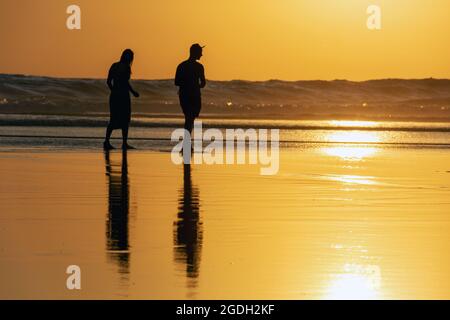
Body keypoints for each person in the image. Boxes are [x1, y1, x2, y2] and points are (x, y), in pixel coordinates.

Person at [104, 49, 139, 150]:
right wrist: (133, 92)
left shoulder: (114, 65)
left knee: (113, 119)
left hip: (114, 96)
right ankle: (124, 143)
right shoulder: (126, 67)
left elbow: (108, 81)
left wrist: (114, 91)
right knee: (125, 120)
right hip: (123, 96)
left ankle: (107, 141)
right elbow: (125, 83)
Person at [175, 44, 206, 137]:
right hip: (194, 96)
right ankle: (186, 143)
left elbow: (177, 82)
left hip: (184, 95)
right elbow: (203, 83)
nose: (201, 55)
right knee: (190, 119)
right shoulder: (199, 67)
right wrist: (195, 85)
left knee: (189, 118)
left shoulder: (182, 65)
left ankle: (186, 143)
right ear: (195, 53)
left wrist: (187, 84)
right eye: (200, 52)